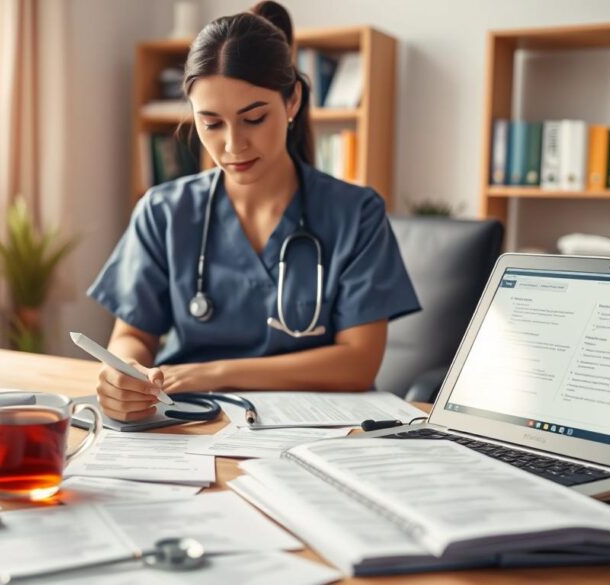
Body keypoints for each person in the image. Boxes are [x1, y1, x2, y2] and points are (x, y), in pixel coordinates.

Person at [87, 1, 420, 421]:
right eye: (211, 123)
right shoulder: (163, 212)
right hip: (190, 422)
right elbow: (132, 334)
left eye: (254, 118)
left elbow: (358, 363)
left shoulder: (356, 213)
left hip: (319, 431)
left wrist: (216, 373)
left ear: (292, 100)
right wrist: (124, 371)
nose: (233, 144)